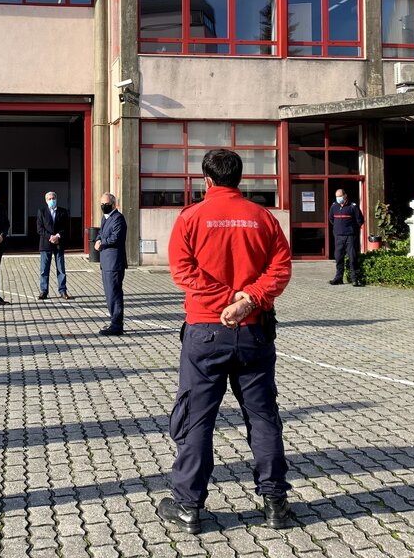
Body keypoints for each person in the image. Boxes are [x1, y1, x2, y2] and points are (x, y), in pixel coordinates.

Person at [160, 149, 293, 534]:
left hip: (205, 331)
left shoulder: (190, 217)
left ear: (206, 180)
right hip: (254, 331)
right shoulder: (263, 218)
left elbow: (182, 271)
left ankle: (187, 507)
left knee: (197, 418)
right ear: (240, 179)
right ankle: (275, 505)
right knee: (263, 416)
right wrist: (248, 299)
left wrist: (223, 302)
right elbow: (280, 267)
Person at [95, 193, 127, 335]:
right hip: (106, 262)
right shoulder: (105, 218)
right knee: (109, 294)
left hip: (114, 262)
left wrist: (102, 243)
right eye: (102, 204)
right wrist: (97, 239)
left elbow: (116, 237)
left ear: (113, 204)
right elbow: (101, 233)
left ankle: (116, 325)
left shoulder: (118, 219)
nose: (103, 206)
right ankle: (113, 321)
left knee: (114, 294)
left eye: (106, 204)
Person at [36, 191, 71, 300]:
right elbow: (40, 228)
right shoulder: (41, 211)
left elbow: (66, 227)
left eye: (53, 198)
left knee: (61, 268)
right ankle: (43, 291)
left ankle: (63, 290)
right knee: (44, 269)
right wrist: (50, 237)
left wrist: (58, 236)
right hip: (46, 243)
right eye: (49, 199)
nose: (52, 200)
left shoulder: (63, 212)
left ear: (56, 199)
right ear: (46, 200)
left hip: (59, 243)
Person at [328, 189, 364, 287]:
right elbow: (331, 219)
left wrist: (352, 230)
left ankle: (354, 279)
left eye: (340, 196)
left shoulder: (353, 207)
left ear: (345, 195)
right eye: (337, 196)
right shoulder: (334, 206)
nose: (338, 198)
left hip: (350, 237)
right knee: (338, 258)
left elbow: (360, 220)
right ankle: (338, 278)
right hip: (338, 236)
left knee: (352, 258)